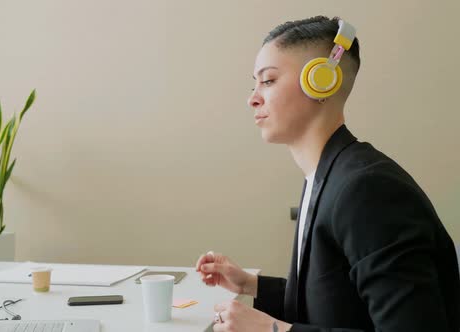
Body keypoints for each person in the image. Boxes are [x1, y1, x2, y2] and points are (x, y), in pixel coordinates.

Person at [195, 15, 460, 332]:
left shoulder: (367, 189)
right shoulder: (328, 175)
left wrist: (272, 330)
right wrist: (250, 284)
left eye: (268, 81)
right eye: (254, 83)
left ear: (320, 80)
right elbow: (337, 303)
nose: (252, 97)